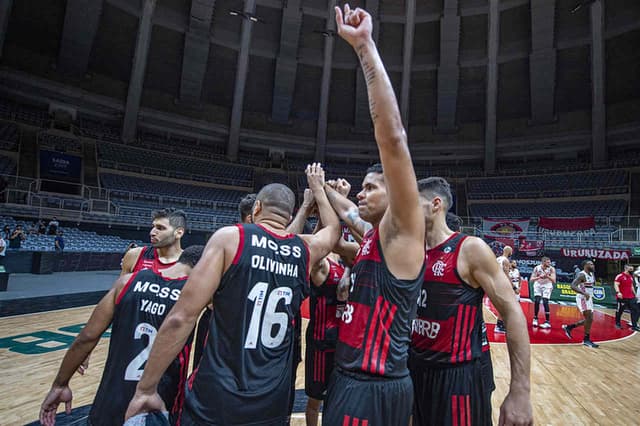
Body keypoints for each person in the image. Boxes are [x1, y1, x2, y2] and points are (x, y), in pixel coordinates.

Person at [125, 169, 341, 425]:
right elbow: (334, 229)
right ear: (290, 215)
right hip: (271, 399)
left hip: (218, 394)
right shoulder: (305, 248)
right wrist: (319, 191)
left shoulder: (231, 238)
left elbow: (180, 318)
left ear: (257, 207)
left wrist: (146, 389)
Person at [319, 6, 426, 426]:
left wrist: (364, 47)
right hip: (355, 377)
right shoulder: (373, 235)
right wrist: (320, 185)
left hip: (373, 384)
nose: (361, 193)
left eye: (371, 187)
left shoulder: (402, 229)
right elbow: (347, 212)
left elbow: (394, 140)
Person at [410, 177, 532, 426]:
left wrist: (520, 391)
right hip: (416, 369)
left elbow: (512, 312)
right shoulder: (411, 251)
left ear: (436, 204)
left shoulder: (470, 249)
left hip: (458, 376)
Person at [38, 245, 205, 426]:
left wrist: (60, 384)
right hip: (159, 400)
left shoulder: (126, 282)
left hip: (111, 401)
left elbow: (86, 337)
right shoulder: (194, 296)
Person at [305, 252, 344, 426]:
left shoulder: (343, 258)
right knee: (315, 400)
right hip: (321, 343)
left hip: (341, 342)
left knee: (335, 399)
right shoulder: (320, 262)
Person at [121, 209, 186, 274]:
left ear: (179, 233)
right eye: (153, 227)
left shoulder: (191, 264)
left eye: (160, 228)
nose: (152, 233)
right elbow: (123, 283)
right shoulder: (134, 255)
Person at [562, 260, 599, 348]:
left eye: (593, 264)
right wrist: (584, 293)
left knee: (589, 320)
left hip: (589, 298)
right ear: (585, 265)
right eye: (590, 264)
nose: (593, 265)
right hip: (583, 298)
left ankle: (569, 327)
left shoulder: (591, 274)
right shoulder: (582, 274)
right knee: (589, 318)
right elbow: (573, 286)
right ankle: (586, 340)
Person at [531, 256, 555, 328]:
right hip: (538, 284)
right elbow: (531, 279)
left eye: (550, 262)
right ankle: (535, 318)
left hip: (547, 285)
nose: (549, 263)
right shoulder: (537, 268)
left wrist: (547, 276)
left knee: (545, 302)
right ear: (543, 262)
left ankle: (547, 322)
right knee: (537, 301)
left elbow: (554, 280)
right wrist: (539, 277)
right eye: (548, 262)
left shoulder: (551, 269)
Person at [613, 264, 639, 331]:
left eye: (632, 270)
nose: (631, 271)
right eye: (630, 270)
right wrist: (618, 292)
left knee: (635, 310)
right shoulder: (620, 276)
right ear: (626, 269)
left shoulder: (630, 276)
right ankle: (617, 324)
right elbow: (616, 284)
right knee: (620, 311)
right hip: (622, 297)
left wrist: (635, 294)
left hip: (631, 297)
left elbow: (631, 286)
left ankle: (634, 326)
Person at [495, 246, 513, 332]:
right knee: (504, 306)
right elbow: (507, 275)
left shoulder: (497, 259)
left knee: (502, 305)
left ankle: (500, 324)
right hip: (502, 284)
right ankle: (499, 325)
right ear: (509, 252)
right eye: (511, 251)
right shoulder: (506, 261)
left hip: (495, 283)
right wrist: (513, 287)